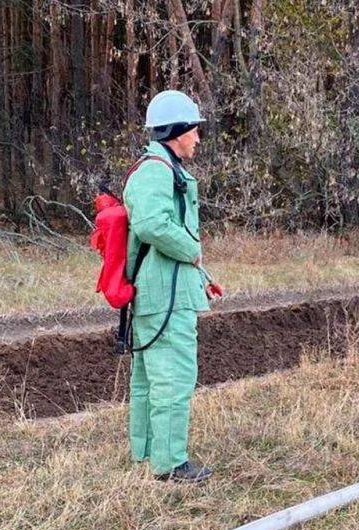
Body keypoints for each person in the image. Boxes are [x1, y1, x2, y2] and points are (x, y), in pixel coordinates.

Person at [124, 90, 212, 483]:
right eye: (194, 129)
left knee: (150, 378)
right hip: (165, 296)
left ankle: (146, 453)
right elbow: (152, 225)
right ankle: (171, 464)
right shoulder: (157, 170)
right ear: (177, 131)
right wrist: (191, 248)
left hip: (164, 290)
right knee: (173, 378)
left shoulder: (161, 167)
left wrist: (201, 278)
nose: (197, 138)